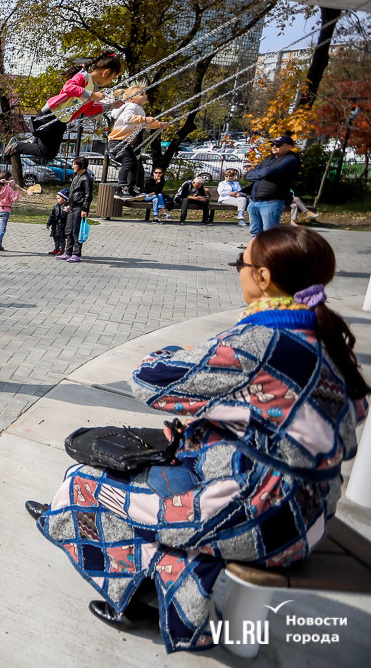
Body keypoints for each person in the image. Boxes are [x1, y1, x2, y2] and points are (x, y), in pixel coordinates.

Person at [27, 226, 367, 653]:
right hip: (311, 511)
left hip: (261, 514)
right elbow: (310, 422)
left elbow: (151, 381)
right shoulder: (329, 338)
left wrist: (171, 351)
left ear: (263, 277)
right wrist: (222, 421)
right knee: (140, 472)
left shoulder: (259, 341)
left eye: (240, 264)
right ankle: (75, 518)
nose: (238, 272)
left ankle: (141, 599)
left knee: (89, 484)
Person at [4, 53, 123, 181]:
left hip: (61, 122)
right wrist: (92, 95)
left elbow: (88, 110)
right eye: (113, 77)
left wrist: (110, 105)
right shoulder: (84, 76)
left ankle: (26, 143)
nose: (111, 81)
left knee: (49, 154)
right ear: (106, 72)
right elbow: (68, 87)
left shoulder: (93, 87)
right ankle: (18, 145)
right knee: (45, 151)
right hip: (50, 115)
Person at [106, 85, 166, 199]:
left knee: (135, 164)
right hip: (116, 141)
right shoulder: (131, 106)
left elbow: (146, 124)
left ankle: (132, 187)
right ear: (131, 98)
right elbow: (128, 119)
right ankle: (121, 188)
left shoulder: (139, 109)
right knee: (127, 162)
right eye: (141, 94)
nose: (145, 96)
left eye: (145, 94)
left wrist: (159, 125)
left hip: (125, 142)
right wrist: (144, 119)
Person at [245, 135, 301, 235]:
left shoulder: (291, 160)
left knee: (269, 234)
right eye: (273, 144)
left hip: (271, 202)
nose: (274, 146)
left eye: (278, 145)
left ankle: (270, 251)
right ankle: (256, 251)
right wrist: (263, 173)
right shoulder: (268, 159)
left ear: (289, 147)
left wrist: (262, 173)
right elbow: (249, 175)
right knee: (254, 232)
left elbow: (268, 172)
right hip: (254, 201)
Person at [57, 156, 92, 263]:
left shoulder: (86, 179)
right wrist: (69, 204)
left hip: (79, 207)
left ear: (81, 165)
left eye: (74, 164)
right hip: (72, 206)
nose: (72, 166)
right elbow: (72, 193)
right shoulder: (77, 177)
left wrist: (85, 209)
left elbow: (88, 195)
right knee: (69, 230)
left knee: (76, 231)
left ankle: (76, 253)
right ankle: (68, 252)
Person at [45, 189, 69, 255]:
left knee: (61, 238)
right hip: (55, 225)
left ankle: (62, 250)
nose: (57, 199)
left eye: (59, 198)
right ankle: (56, 248)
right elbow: (52, 216)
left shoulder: (67, 207)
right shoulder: (56, 206)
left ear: (64, 199)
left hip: (63, 225)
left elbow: (68, 217)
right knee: (55, 238)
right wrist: (48, 223)